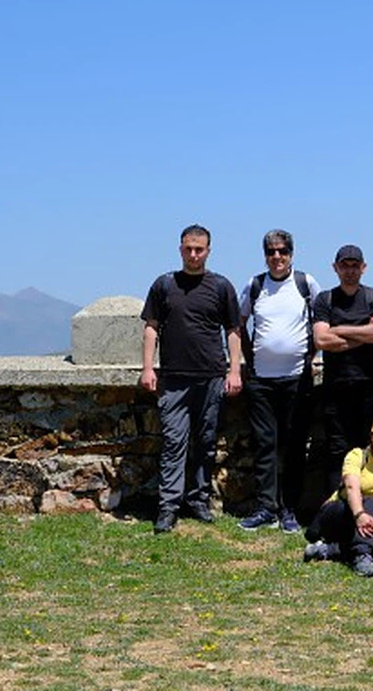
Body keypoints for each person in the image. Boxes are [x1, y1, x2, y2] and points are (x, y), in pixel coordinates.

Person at [140, 224, 242, 534]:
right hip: (172, 378)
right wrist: (147, 368)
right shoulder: (164, 285)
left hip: (211, 376)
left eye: (199, 249)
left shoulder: (221, 286)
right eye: (188, 249)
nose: (193, 254)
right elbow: (151, 327)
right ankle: (169, 505)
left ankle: (199, 500)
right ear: (180, 249)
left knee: (206, 443)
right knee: (174, 442)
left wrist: (234, 370)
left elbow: (233, 331)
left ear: (209, 251)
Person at [237, 229, 322, 533]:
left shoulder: (305, 283)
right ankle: (265, 508)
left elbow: (320, 325)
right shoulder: (255, 284)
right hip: (261, 380)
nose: (277, 257)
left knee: (295, 446)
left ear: (292, 254)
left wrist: (310, 357)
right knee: (265, 446)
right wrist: (248, 359)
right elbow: (238, 323)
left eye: (283, 251)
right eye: (271, 251)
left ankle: (289, 510)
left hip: (297, 379)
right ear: (265, 255)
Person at [312, 245, 373, 494]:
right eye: (344, 266)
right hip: (336, 386)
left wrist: (339, 329)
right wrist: (363, 334)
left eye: (354, 265)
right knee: (337, 448)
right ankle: (337, 506)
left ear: (363, 268)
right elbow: (322, 341)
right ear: (335, 268)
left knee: (371, 446)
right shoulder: (325, 299)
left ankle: (369, 504)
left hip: (369, 385)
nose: (349, 271)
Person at [303, 414, 373, 577]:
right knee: (370, 501)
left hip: (371, 524)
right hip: (339, 514)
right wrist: (360, 514)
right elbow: (351, 486)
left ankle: (327, 550)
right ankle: (362, 557)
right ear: (371, 437)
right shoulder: (357, 456)